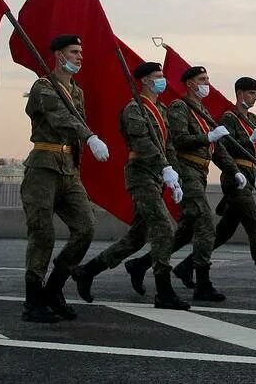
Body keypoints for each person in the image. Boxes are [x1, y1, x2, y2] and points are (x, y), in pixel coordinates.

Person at [70, 61, 188, 309]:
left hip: (157, 176)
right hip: (141, 174)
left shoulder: (161, 109)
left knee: (136, 238)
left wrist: (174, 175)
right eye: (158, 76)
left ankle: (88, 271)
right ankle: (164, 291)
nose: (162, 80)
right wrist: (163, 167)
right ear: (145, 81)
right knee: (164, 229)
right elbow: (143, 143)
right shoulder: (134, 109)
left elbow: (168, 146)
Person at [20, 34, 110, 323]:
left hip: (68, 169)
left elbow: (76, 120)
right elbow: (61, 118)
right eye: (74, 52)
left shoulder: (77, 91)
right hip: (44, 168)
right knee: (42, 234)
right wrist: (90, 136)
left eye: (80, 52)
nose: (80, 57)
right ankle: (33, 301)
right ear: (59, 55)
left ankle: (54, 288)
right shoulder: (43, 87)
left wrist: (84, 144)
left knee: (86, 227)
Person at [172, 76, 256, 293]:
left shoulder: (253, 119)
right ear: (240, 94)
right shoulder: (229, 118)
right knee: (255, 224)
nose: (254, 98)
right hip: (234, 178)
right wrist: (249, 140)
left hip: (247, 177)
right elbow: (226, 147)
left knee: (223, 232)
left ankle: (186, 266)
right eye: (251, 93)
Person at [163, 65, 242, 302]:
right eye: (202, 79)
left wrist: (234, 170)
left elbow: (216, 150)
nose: (207, 83)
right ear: (189, 84)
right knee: (206, 224)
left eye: (208, 79)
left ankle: (140, 265)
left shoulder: (203, 111)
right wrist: (206, 137)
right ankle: (203, 283)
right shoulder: (180, 108)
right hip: (186, 171)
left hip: (200, 172)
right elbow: (178, 140)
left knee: (187, 229)